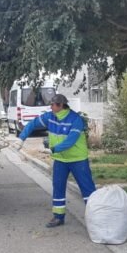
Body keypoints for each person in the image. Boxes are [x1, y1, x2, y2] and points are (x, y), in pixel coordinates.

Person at [13, 94, 96, 228]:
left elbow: (71, 141)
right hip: (60, 160)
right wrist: (21, 139)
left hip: (78, 160)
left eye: (52, 105)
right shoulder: (50, 117)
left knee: (87, 189)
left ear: (61, 105)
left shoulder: (75, 119)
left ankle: (96, 217)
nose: (50, 107)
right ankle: (58, 217)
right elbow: (33, 124)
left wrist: (53, 149)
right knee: (58, 187)